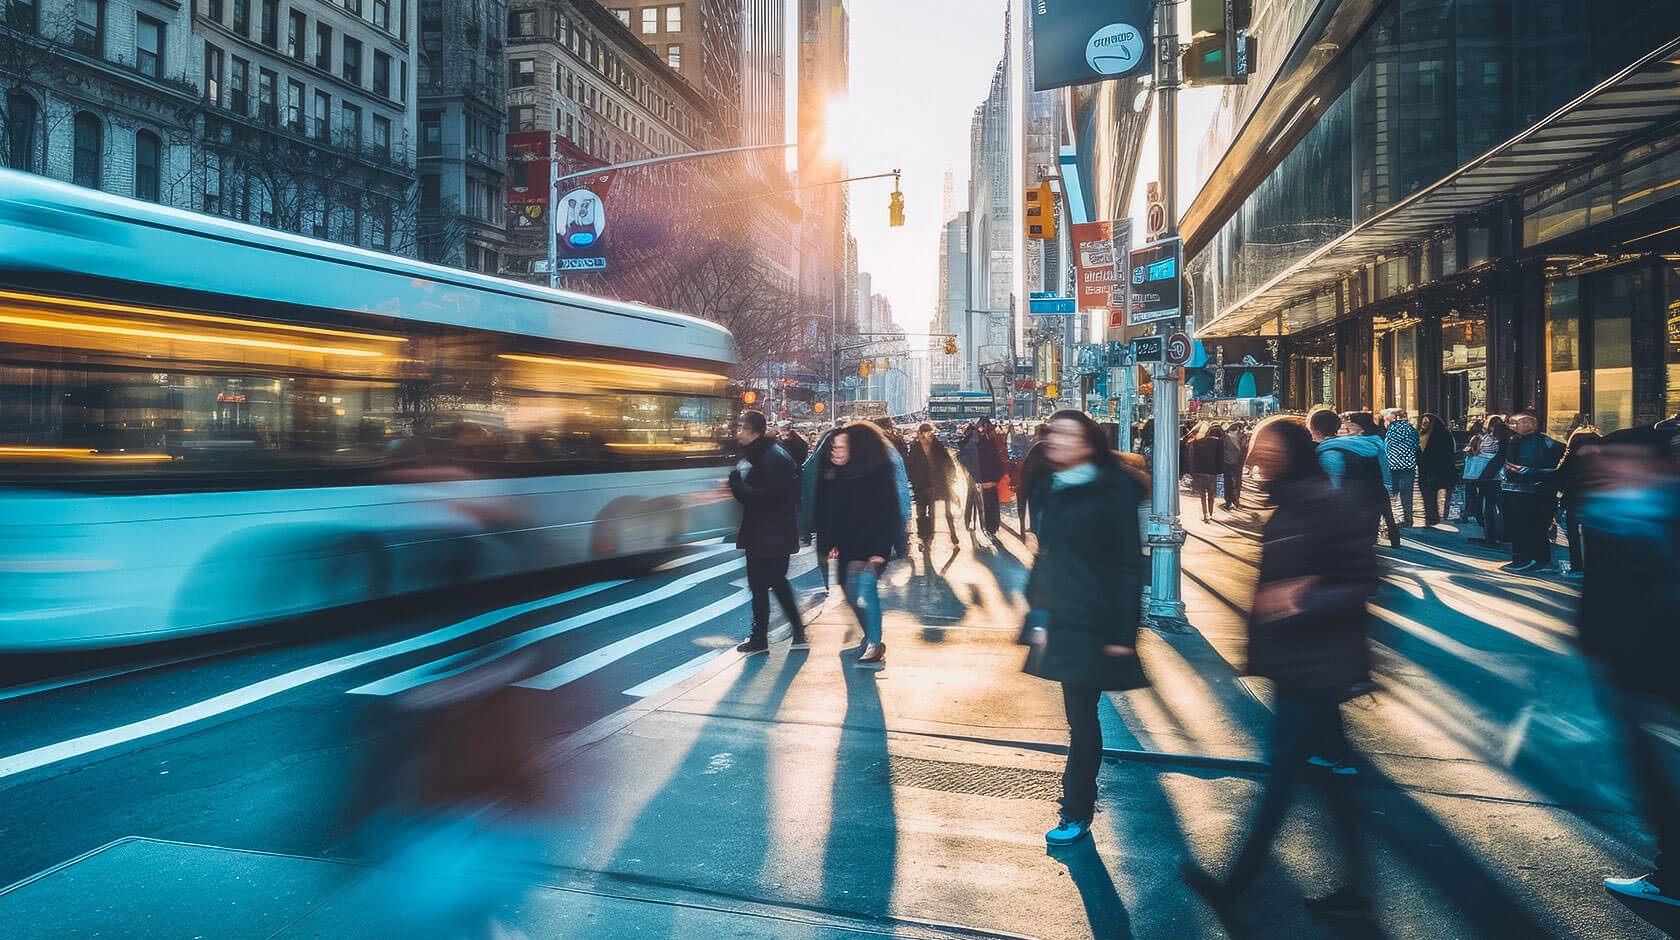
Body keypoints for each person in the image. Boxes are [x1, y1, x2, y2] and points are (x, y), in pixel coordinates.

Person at [1185, 417, 1379, 915]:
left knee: (1281, 780)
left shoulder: (1323, 500)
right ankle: (1356, 891)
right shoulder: (1292, 500)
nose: (1255, 456)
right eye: (1255, 448)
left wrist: (1301, 599)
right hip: (1299, 662)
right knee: (1329, 782)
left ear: (1291, 451)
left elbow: (1362, 578)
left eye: (1266, 448)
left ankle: (1235, 885)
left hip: (1312, 666)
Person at [1021, 409, 1148, 847]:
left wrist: (1121, 636)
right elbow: (1046, 556)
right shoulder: (1053, 486)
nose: (1055, 440)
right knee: (1080, 718)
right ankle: (1076, 808)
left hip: (1095, 623)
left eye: (1066, 434)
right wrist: (1035, 612)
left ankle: (1075, 811)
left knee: (1082, 720)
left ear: (1088, 443)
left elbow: (1129, 566)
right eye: (1054, 432)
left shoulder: (1111, 490)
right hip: (1063, 619)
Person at [1577, 426, 1680, 910]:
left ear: (1657, 465)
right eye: (1608, 460)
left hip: (1651, 663)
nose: (1611, 469)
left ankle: (1673, 877)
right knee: (1649, 771)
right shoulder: (1609, 513)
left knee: (1655, 773)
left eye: (1624, 460)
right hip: (1629, 666)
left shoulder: (1641, 514)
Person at [810, 422, 906, 669]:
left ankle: (875, 644)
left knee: (863, 588)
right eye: (833, 447)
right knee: (848, 591)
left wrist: (881, 552)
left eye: (841, 447)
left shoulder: (877, 472)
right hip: (843, 547)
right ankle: (869, 637)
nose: (835, 451)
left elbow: (890, 511)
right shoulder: (832, 473)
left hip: (871, 545)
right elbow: (825, 513)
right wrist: (826, 547)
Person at [727, 411, 807, 654]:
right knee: (763, 585)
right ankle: (765, 636)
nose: (738, 432)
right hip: (765, 532)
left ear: (754, 431)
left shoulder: (773, 458)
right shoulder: (761, 453)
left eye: (741, 427)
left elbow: (763, 498)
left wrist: (737, 485)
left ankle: (785, 633)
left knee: (770, 583)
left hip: (772, 533)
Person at [1309, 408, 1396, 548]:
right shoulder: (1365, 444)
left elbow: (1334, 484)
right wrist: (1388, 486)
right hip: (1374, 496)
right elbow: (1384, 466)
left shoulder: (1329, 451)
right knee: (1368, 542)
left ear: (1315, 430)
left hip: (1352, 504)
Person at [1500, 412, 1564, 573]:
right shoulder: (1518, 441)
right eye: (1511, 423)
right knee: (1523, 527)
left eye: (1516, 423)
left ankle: (1535, 560)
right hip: (1523, 490)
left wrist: (1530, 473)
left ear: (1530, 424)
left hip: (1533, 491)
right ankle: (1525, 558)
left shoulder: (1542, 443)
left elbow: (1553, 466)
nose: (1512, 426)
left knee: (1532, 527)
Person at [1345, 412, 1401, 545]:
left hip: (1367, 482)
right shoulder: (1375, 437)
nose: (1349, 428)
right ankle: (1391, 538)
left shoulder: (1369, 440)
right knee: (1383, 511)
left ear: (1360, 427)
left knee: (1377, 511)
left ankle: (1376, 538)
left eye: (1352, 425)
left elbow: (1384, 462)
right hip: (1374, 482)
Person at [1554, 427, 1602, 577]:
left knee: (1574, 534)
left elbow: (1560, 477)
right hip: (1597, 500)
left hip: (1574, 499)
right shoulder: (1603, 455)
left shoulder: (1572, 455)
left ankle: (1577, 566)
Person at [906, 421, 960, 548]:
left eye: (928, 433)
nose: (926, 437)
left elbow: (949, 463)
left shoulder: (938, 447)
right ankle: (924, 538)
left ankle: (951, 535)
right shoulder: (915, 448)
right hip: (921, 486)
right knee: (921, 513)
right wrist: (914, 482)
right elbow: (910, 467)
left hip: (938, 484)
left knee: (938, 512)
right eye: (924, 434)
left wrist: (950, 478)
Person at [1468, 415, 1511, 545]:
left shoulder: (1489, 439)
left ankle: (1492, 535)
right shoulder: (1504, 440)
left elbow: (1481, 455)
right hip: (1498, 477)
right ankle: (1499, 534)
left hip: (1489, 477)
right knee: (1494, 505)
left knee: (1487, 506)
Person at [1416, 413, 1457, 527]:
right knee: (1428, 496)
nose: (1424, 425)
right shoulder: (1421, 435)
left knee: (1443, 496)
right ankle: (1432, 518)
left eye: (1426, 423)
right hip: (1426, 470)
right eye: (1423, 422)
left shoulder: (1443, 435)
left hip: (1440, 470)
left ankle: (1445, 516)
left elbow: (1447, 453)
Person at [1383, 408, 1420, 526]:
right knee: (1407, 493)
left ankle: (1393, 518)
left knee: (1392, 492)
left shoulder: (1391, 429)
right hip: (1408, 465)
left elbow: (1386, 447)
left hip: (1393, 466)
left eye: (1386, 420)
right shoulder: (1411, 429)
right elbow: (1416, 445)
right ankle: (1408, 519)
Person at [1016, 424, 1053, 537]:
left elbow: (1028, 469)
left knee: (1035, 512)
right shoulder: (1052, 448)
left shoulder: (1037, 448)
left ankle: (1036, 532)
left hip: (1035, 487)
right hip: (1048, 487)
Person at [1186, 421, 1224, 523]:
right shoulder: (1217, 442)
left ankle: (1205, 514)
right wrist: (1219, 470)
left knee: (1203, 495)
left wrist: (1192, 471)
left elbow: (1192, 459)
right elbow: (1220, 458)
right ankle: (1211, 514)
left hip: (1200, 471)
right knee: (1211, 495)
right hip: (1212, 472)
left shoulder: (1195, 443)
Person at [1455, 418, 1486, 524]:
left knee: (1470, 493)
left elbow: (1473, 452)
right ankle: (1473, 513)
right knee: (1475, 493)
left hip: (1472, 470)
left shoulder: (1475, 438)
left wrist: (1467, 450)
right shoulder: (1483, 438)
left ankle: (1468, 513)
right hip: (1477, 470)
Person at [1220, 422, 1247, 511]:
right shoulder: (1242, 436)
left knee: (1228, 482)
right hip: (1236, 463)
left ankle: (1230, 501)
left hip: (1228, 462)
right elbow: (1244, 449)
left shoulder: (1224, 436)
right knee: (1237, 482)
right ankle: (1235, 501)